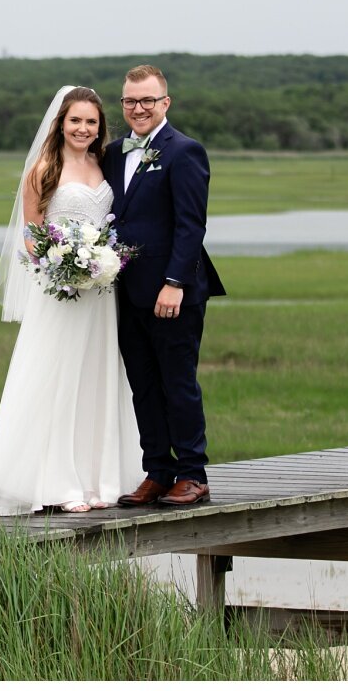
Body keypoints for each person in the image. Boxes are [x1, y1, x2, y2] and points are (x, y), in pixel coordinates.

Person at [0, 86, 144, 515]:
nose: (83, 129)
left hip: (102, 294)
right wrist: (65, 262)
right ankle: (56, 483)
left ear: (99, 126)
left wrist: (99, 262)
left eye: (91, 122)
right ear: (61, 123)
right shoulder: (44, 168)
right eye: (76, 121)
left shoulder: (104, 163)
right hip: (63, 292)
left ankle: (97, 481)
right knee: (58, 376)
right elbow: (31, 235)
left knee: (97, 377)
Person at [100, 64, 225, 508]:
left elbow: (191, 226)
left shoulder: (185, 151)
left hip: (175, 291)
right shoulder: (113, 154)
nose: (138, 109)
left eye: (147, 101)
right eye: (130, 101)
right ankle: (157, 469)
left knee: (178, 381)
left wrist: (174, 283)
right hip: (126, 290)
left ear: (164, 103)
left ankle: (192, 472)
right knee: (143, 383)